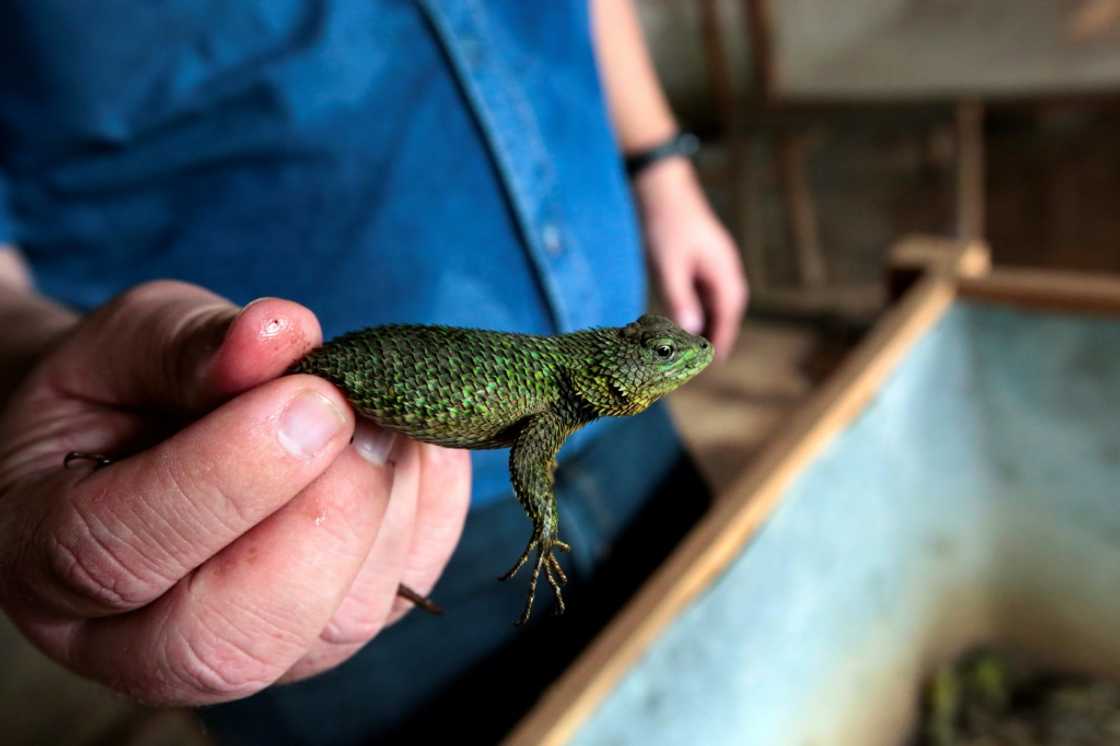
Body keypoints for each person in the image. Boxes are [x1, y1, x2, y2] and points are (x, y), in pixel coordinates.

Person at [0, 1, 746, 742]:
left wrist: (658, 165)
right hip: (293, 521)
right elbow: (529, 459)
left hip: (621, 415)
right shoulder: (555, 398)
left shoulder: (573, 383)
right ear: (615, 370)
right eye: (659, 353)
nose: (683, 358)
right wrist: (33, 359)